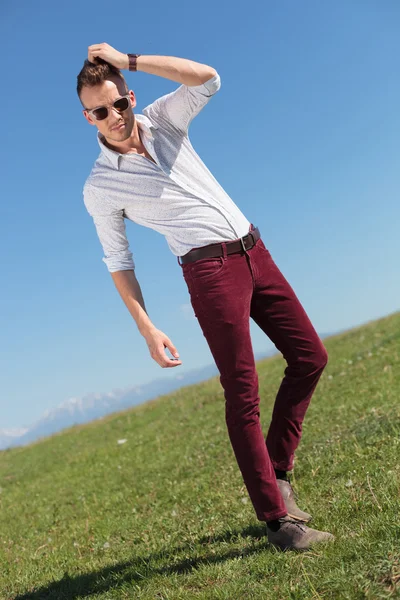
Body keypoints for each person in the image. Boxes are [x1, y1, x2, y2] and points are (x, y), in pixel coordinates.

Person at [77, 42, 334, 551]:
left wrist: (129, 59)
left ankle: (278, 470)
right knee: (243, 393)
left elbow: (207, 78)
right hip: (210, 273)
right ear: (88, 118)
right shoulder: (101, 186)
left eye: (119, 103)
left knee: (310, 356)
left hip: (255, 250)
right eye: (100, 111)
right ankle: (279, 523)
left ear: (130, 96)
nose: (114, 117)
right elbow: (118, 262)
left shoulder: (163, 121)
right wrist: (147, 327)